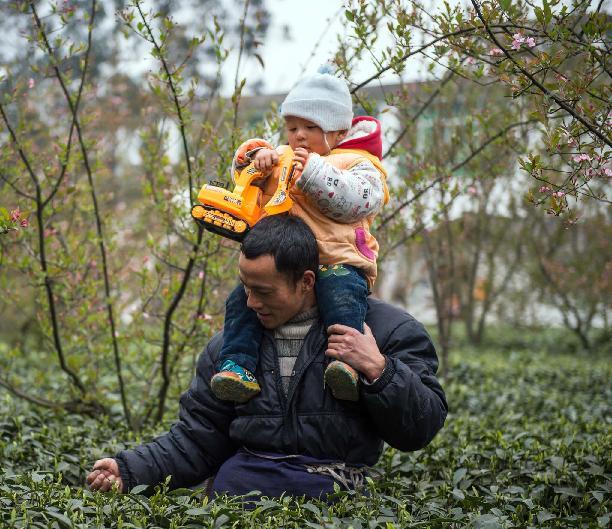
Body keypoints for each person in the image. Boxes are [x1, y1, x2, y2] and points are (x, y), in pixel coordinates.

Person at [87, 216, 446, 500]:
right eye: (244, 287)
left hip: (334, 508)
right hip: (238, 508)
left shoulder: (385, 331)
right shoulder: (230, 349)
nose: (250, 303)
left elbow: (421, 426)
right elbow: (199, 439)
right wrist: (131, 470)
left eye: (262, 291)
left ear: (306, 282)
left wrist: (379, 370)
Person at [213, 70, 389, 404]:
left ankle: (345, 363)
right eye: (293, 128)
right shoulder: (282, 156)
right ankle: (236, 365)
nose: (299, 136)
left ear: (337, 131)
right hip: (282, 265)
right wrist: (254, 157)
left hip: (336, 259)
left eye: (310, 128)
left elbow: (359, 199)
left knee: (342, 296)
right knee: (242, 301)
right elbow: (244, 180)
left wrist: (314, 172)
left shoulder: (358, 162)